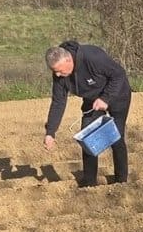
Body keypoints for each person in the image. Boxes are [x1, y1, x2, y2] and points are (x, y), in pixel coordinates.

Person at [42, 41, 133, 186]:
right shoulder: (59, 76)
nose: (58, 74)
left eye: (59, 70)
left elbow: (119, 74)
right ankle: (89, 182)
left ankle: (121, 181)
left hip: (117, 95)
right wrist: (50, 132)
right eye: (54, 71)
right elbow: (58, 102)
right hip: (92, 101)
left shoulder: (92, 57)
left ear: (68, 59)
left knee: (116, 137)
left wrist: (106, 98)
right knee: (88, 139)